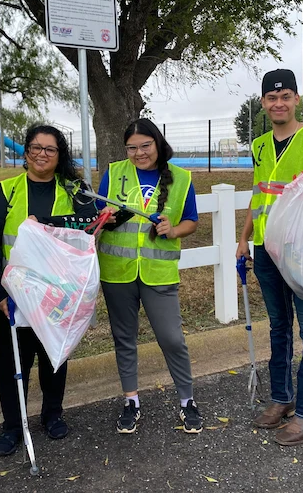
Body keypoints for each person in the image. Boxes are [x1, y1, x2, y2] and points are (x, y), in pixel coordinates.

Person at [0, 125, 99, 456]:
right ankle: (13, 426)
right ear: (26, 152)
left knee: (53, 357)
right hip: (17, 296)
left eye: (50, 149)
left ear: (60, 155)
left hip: (59, 296)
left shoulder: (75, 191)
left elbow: (90, 230)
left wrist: (109, 217)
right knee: (13, 364)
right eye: (35, 148)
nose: (42, 154)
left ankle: (52, 414)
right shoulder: (7, 191)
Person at [235, 69, 303, 446]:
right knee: (278, 327)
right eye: (271, 98)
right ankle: (282, 398)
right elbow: (258, 193)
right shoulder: (260, 144)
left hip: (302, 251)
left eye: (286, 97)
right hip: (266, 249)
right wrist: (244, 238)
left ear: (297, 99)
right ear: (263, 103)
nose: (278, 104)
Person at [96, 118, 203, 434]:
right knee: (124, 338)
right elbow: (97, 218)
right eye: (132, 147)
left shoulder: (181, 178)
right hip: (118, 273)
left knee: (172, 338)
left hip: (158, 273)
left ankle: (187, 401)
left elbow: (192, 221)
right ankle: (131, 401)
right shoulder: (114, 173)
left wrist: (173, 230)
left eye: (145, 145)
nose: (139, 153)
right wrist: (106, 218)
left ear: (157, 143)